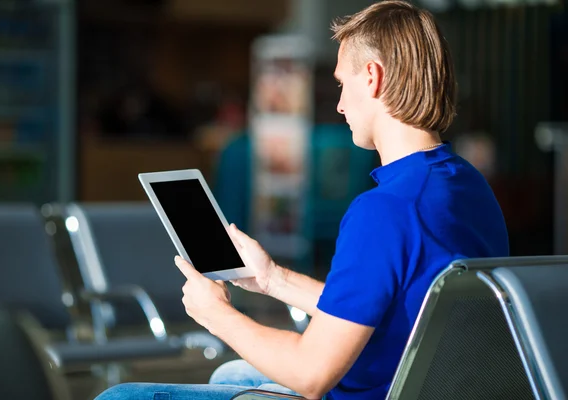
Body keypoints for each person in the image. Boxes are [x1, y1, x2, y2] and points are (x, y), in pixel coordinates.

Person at [95, 1, 509, 399]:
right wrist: (274, 279)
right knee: (232, 374)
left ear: (373, 77)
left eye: (342, 84)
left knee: (120, 396)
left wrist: (215, 315)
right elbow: (389, 307)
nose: (340, 104)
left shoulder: (385, 211)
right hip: (428, 386)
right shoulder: (469, 187)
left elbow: (311, 376)